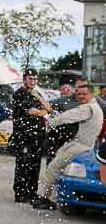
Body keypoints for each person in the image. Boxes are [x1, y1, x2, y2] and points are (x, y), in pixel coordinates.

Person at [33, 80, 103, 210]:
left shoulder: (88, 108)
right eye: (79, 94)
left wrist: (52, 122)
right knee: (59, 170)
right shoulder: (95, 107)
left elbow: (68, 116)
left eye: (84, 94)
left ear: (91, 94)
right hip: (85, 146)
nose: (81, 96)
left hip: (78, 146)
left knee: (53, 168)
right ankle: (52, 197)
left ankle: (45, 199)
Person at [11, 68, 52, 203]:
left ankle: (32, 193)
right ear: (24, 79)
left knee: (35, 165)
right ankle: (20, 193)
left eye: (35, 79)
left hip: (37, 136)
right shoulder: (19, 93)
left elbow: (49, 108)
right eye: (30, 78)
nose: (33, 81)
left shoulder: (36, 93)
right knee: (23, 165)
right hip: (24, 136)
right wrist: (43, 110)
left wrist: (38, 96)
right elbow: (35, 112)